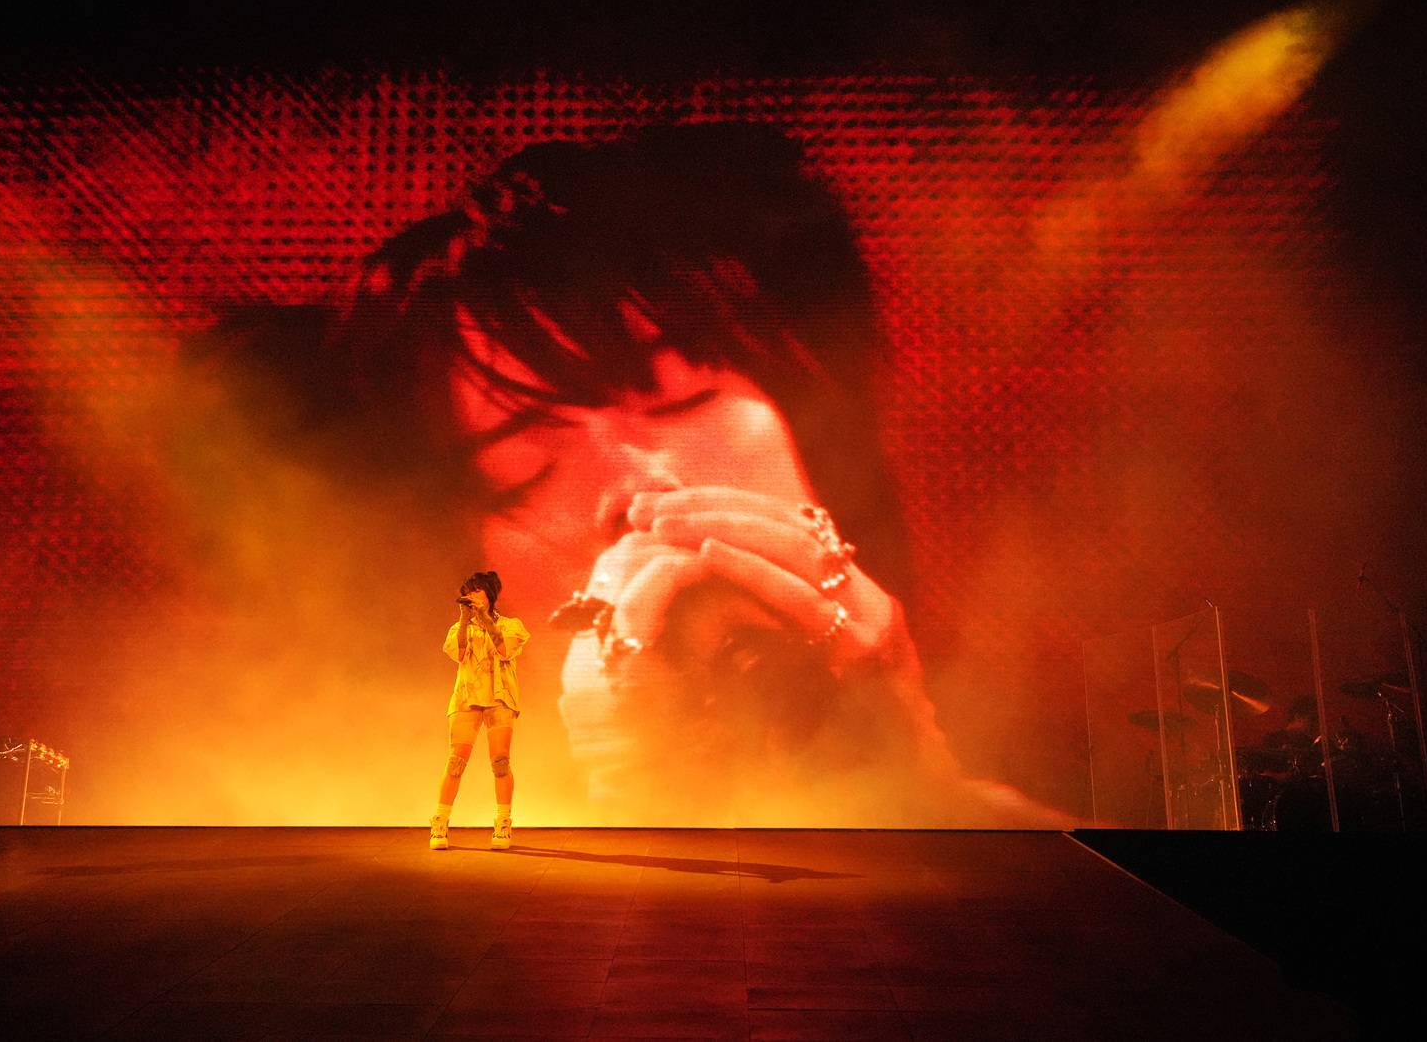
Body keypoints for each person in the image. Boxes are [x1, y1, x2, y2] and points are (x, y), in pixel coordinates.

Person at [337, 123, 1067, 827]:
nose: (640, 489)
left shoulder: (1053, 873)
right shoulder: (395, 871)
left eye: (679, 394)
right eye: (530, 467)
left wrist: (917, 794)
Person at [431, 570, 529, 849]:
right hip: (467, 698)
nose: (471, 596)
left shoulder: (511, 625)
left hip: (500, 699)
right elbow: (458, 654)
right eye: (468, 591)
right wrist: (464, 621)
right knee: (455, 762)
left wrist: (486, 619)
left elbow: (504, 650)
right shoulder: (460, 628)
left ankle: (503, 823)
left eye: (476, 591)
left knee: (500, 763)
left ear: (489, 594)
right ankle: (440, 822)